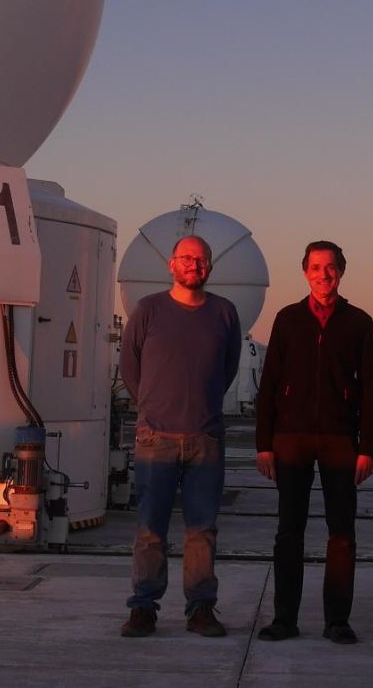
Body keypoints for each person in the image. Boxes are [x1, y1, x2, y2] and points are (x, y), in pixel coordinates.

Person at [253, 241, 373, 644]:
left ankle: (337, 620)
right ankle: (284, 619)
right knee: (289, 531)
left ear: (342, 271)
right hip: (290, 439)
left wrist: (368, 448)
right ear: (305, 271)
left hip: (341, 441)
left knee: (341, 534)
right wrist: (263, 443)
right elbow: (270, 384)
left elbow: (371, 391)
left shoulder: (359, 322)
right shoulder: (287, 319)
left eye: (330, 267)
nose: (323, 275)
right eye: (315, 267)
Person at [118, 234, 243, 639]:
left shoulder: (224, 313)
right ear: (171, 265)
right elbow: (130, 368)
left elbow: (227, 369)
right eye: (186, 258)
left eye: (201, 259)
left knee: (202, 529)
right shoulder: (149, 310)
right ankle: (143, 608)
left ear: (210, 266)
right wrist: (154, 408)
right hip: (157, 438)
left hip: (205, 439)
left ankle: (201, 609)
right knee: (151, 529)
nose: (194, 265)